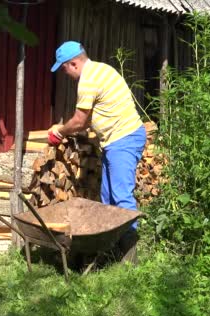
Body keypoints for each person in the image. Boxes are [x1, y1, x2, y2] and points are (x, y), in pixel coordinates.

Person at [47, 41, 146, 263]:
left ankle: (131, 258)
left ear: (73, 63)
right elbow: (92, 116)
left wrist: (59, 132)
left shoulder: (88, 80)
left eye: (63, 68)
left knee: (121, 197)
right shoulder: (101, 68)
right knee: (108, 197)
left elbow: (81, 121)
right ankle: (113, 251)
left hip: (124, 139)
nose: (65, 73)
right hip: (117, 141)